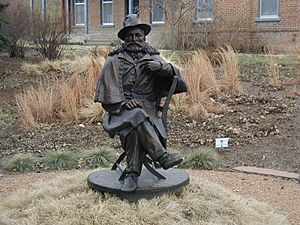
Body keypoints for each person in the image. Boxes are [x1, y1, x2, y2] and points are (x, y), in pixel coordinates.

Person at [94, 14, 187, 192]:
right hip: (120, 112)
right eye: (130, 36)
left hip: (148, 111)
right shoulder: (114, 61)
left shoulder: (153, 57)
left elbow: (181, 83)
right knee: (135, 117)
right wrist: (122, 103)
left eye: (138, 35)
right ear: (124, 38)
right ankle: (161, 156)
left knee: (136, 125)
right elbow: (105, 94)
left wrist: (162, 68)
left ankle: (132, 174)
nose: (134, 39)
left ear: (144, 37)